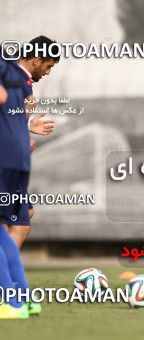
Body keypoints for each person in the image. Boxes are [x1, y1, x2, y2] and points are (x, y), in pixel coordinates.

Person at [0, 35, 59, 319]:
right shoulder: (18, 78)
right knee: (20, 223)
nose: (48, 72)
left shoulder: (7, 71)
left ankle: (10, 302)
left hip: (6, 159)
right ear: (36, 60)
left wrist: (21, 128)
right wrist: (25, 126)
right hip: (15, 160)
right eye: (48, 66)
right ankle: (23, 299)